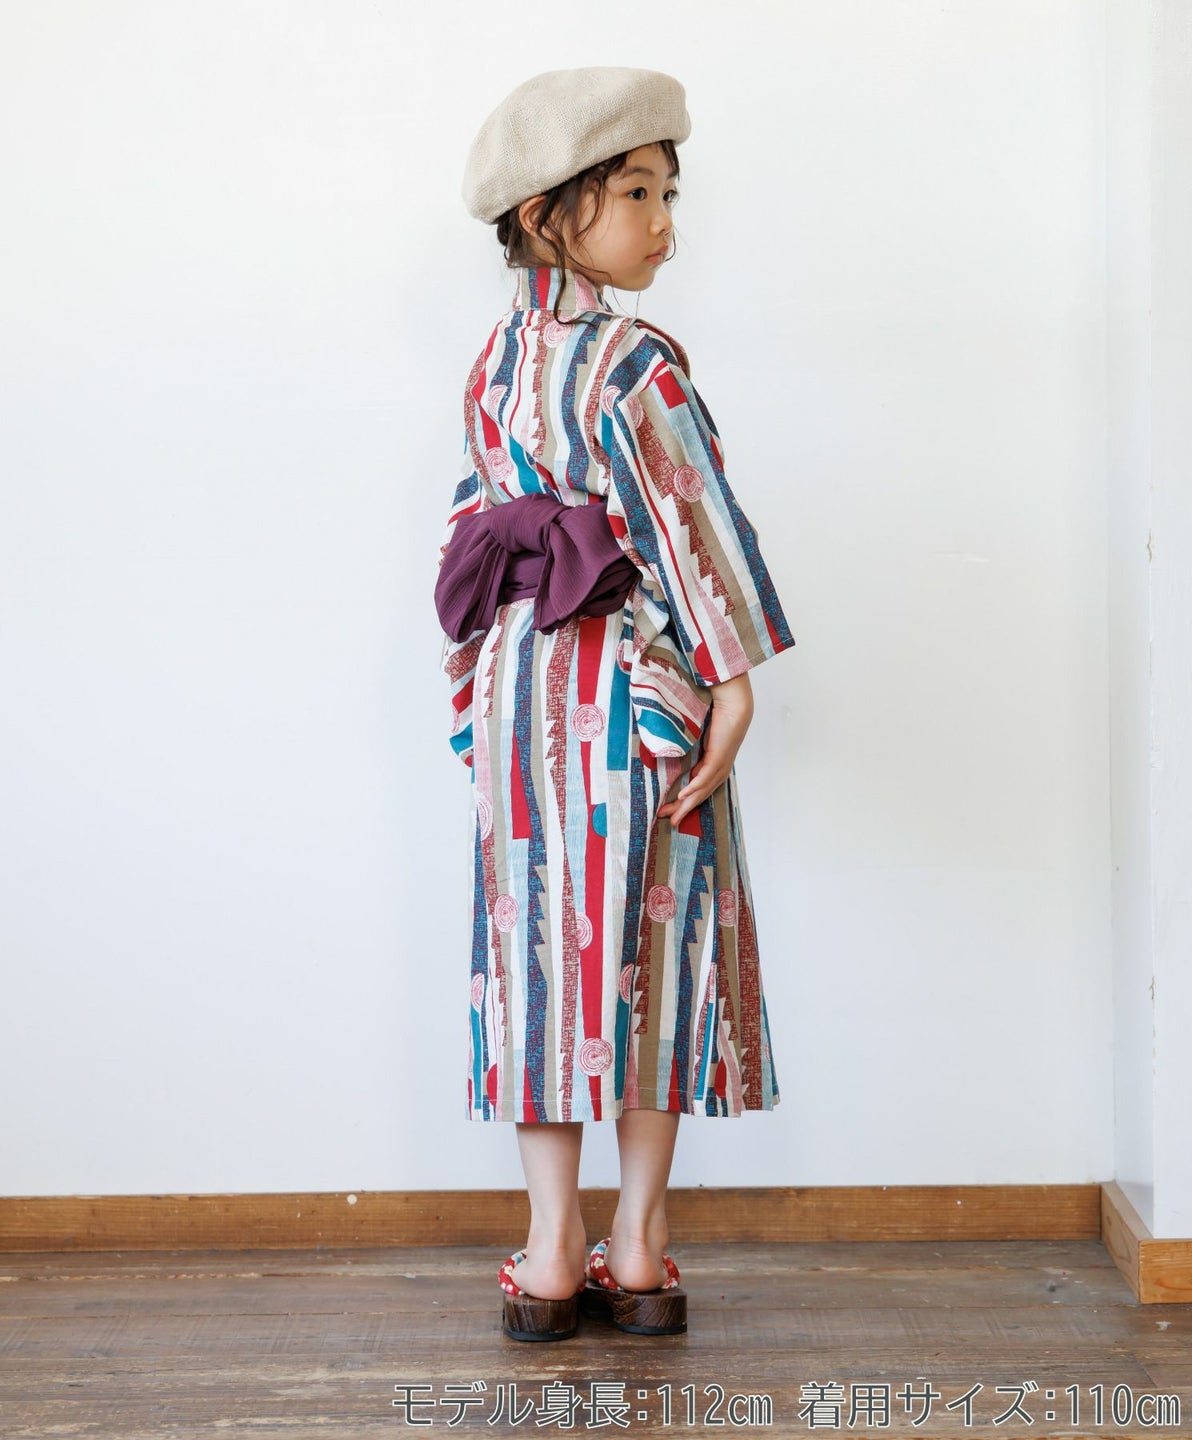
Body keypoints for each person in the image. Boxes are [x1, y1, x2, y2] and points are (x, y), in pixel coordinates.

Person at [437, 66, 796, 1342]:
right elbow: (690, 524)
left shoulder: (494, 363)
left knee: (537, 949)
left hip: (525, 687)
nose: (664, 223)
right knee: (656, 945)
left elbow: (480, 527)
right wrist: (732, 678)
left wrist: (480, 677)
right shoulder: (635, 363)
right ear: (548, 213)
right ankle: (636, 1245)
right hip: (638, 684)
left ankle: (549, 1252)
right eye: (637, 192)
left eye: (666, 193)